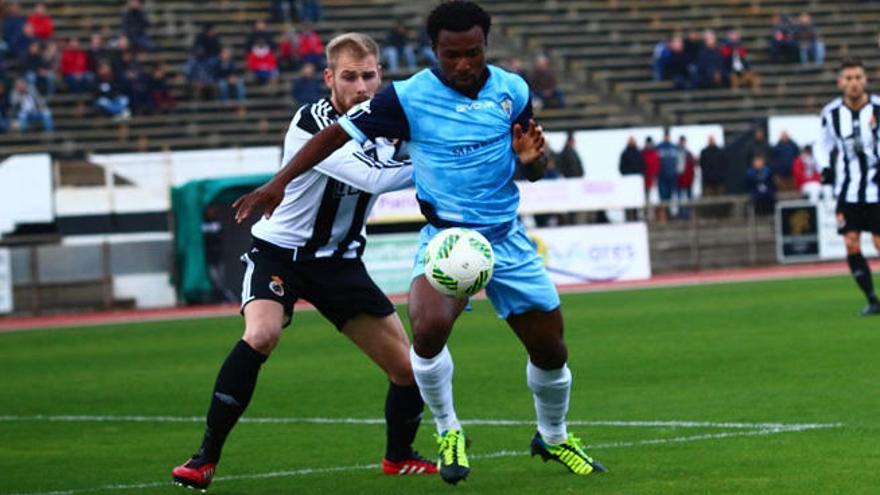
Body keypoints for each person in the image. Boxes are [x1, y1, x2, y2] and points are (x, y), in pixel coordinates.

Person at [231, 1, 606, 485]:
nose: (463, 64)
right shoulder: (406, 97)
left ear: (484, 46)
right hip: (446, 238)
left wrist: (534, 161)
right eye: (451, 55)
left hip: (506, 239)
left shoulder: (513, 90)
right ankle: (448, 430)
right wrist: (278, 181)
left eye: (472, 52)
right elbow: (333, 136)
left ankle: (553, 437)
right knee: (426, 332)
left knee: (551, 349)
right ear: (434, 50)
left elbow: (531, 166)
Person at [171, 32, 436, 491]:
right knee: (262, 333)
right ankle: (204, 458)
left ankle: (398, 457)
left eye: (369, 76)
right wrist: (440, 165)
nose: (361, 87)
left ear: (380, 76)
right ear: (330, 78)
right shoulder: (311, 122)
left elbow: (423, 149)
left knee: (408, 369)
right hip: (281, 255)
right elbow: (371, 178)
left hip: (341, 265)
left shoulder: (390, 120)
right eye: (350, 77)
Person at [816, 57, 880, 316]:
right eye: (849, 78)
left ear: (865, 80)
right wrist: (826, 168)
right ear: (840, 82)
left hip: (877, 190)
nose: (854, 83)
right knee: (851, 244)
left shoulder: (877, 107)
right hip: (848, 190)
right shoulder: (831, 113)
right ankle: (873, 299)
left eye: (858, 78)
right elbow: (822, 145)